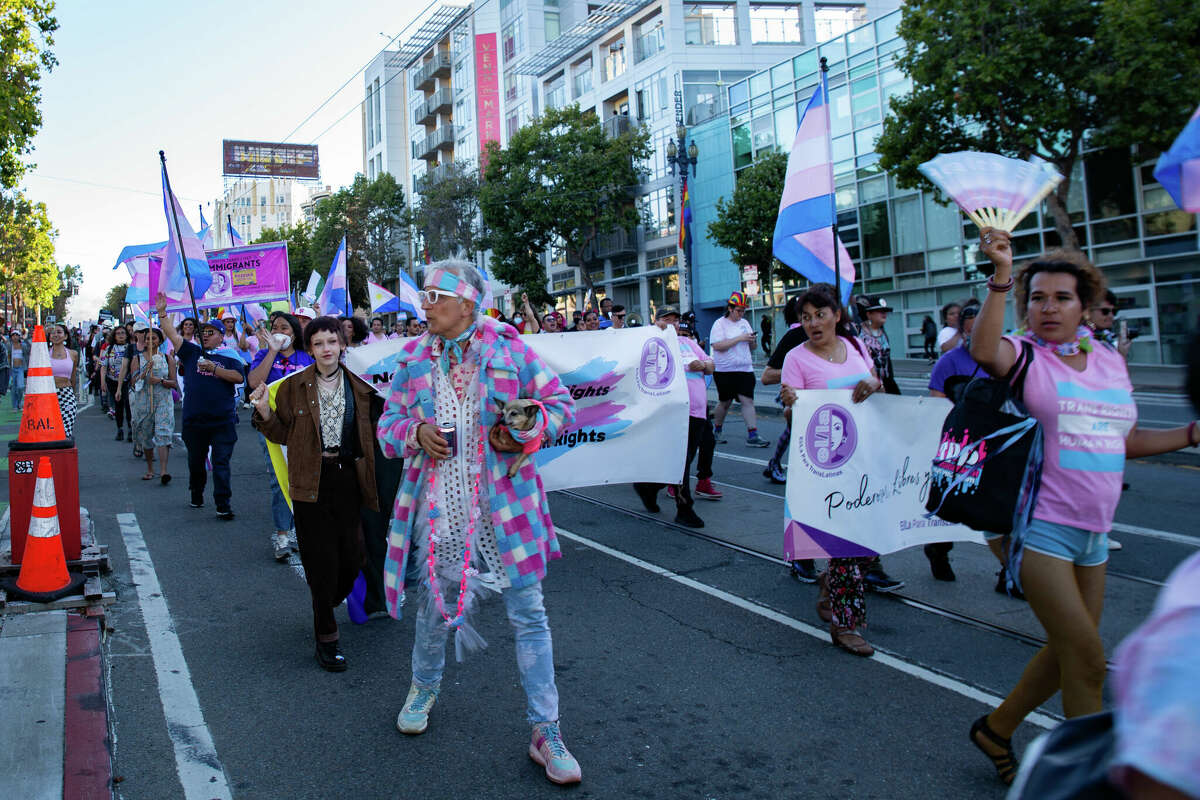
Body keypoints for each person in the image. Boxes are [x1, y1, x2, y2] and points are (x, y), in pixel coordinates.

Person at [966, 229, 1200, 786]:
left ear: (1087, 307)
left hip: (1095, 532)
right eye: (1038, 297)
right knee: (1089, 659)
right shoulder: (1023, 356)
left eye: (1062, 297)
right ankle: (1087, 781)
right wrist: (1002, 276)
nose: (1048, 307)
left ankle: (996, 728)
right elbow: (982, 350)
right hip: (1039, 528)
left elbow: (1124, 440)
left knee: (1069, 649)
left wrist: (1192, 432)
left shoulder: (1108, 364)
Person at [376, 259, 581, 785]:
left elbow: (560, 406)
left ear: (466, 302)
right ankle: (423, 686)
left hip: (506, 512)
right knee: (434, 609)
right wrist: (415, 431)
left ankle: (546, 729)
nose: (425, 307)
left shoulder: (510, 349)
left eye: (433, 297)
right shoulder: (414, 359)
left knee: (529, 616)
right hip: (441, 510)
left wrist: (527, 430)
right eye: (423, 297)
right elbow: (387, 425)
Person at [251, 316, 379, 672]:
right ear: (310, 349)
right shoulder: (293, 387)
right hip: (310, 481)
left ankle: (327, 598)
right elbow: (280, 434)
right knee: (319, 562)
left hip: (349, 478)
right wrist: (264, 412)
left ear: (342, 346)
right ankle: (327, 636)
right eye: (319, 343)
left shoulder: (361, 387)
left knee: (352, 558)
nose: (326, 349)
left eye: (332, 342)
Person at [779, 283, 883, 656]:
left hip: (863, 459)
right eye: (805, 317)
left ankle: (830, 583)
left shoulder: (856, 347)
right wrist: (791, 403)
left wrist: (873, 383)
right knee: (844, 547)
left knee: (869, 546)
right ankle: (846, 625)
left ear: (837, 315)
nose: (812, 323)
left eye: (820, 314)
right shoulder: (796, 358)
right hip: (825, 466)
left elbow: (876, 387)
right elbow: (794, 414)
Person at [156, 292, 247, 519]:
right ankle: (196, 493)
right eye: (202, 333)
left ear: (220, 336)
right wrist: (162, 313)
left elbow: (238, 377)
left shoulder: (230, 355)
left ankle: (223, 504)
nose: (205, 336)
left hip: (222, 420)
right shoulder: (191, 351)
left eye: (210, 332)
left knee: (221, 462)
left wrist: (214, 369)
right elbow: (171, 335)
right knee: (196, 462)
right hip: (194, 420)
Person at [632, 306, 713, 528]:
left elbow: (712, 364)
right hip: (673, 410)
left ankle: (648, 487)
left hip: (697, 412)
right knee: (680, 461)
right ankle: (684, 508)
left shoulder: (689, 343)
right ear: (655, 321)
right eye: (666, 319)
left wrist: (703, 365)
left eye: (675, 320)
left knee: (684, 459)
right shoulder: (651, 342)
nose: (672, 324)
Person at [924, 298, 984, 583]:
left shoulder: (1003, 356)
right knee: (952, 502)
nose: (977, 337)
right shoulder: (949, 362)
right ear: (962, 332)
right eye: (970, 332)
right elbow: (936, 404)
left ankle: (1009, 569)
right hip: (958, 445)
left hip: (994, 443)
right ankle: (938, 548)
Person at [248, 311, 314, 560]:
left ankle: (300, 530)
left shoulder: (306, 358)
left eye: (285, 328)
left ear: (295, 333)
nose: (279, 332)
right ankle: (282, 535)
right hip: (270, 425)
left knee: (302, 478)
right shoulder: (265, 355)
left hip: (302, 427)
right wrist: (272, 350)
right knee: (279, 480)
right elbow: (254, 382)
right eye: (275, 327)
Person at [710, 292, 770, 447]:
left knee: (747, 400)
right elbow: (717, 346)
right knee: (725, 401)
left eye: (743, 311)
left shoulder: (745, 323)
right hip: (725, 370)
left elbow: (753, 347)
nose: (741, 314)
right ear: (730, 308)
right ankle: (717, 429)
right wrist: (739, 338)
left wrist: (751, 340)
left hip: (744, 368)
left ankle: (753, 434)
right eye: (738, 310)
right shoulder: (719, 324)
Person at [128, 328, 177, 483]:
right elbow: (133, 381)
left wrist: (161, 381)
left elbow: (174, 383)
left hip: (163, 400)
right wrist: (144, 372)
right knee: (146, 433)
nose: (150, 341)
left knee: (163, 432)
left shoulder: (168, 359)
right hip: (144, 401)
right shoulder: (137, 358)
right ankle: (150, 468)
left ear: (160, 341)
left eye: (154, 338)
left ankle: (163, 471)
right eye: (147, 338)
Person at [855, 296, 900, 395]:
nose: (884, 314)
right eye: (879, 311)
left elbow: (887, 362)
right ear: (869, 314)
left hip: (887, 383)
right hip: (867, 384)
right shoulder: (857, 332)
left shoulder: (883, 333)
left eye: (885, 311)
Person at [100, 326, 132, 441]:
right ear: (114, 336)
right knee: (118, 406)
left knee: (128, 405)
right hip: (112, 380)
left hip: (127, 381)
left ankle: (130, 429)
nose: (120, 335)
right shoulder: (109, 349)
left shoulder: (131, 348)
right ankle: (120, 429)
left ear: (127, 335)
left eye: (123, 333)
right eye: (118, 333)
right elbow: (103, 366)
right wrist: (102, 382)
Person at [48, 323, 80, 439]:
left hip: (67, 395)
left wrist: (74, 394)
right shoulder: (45, 353)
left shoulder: (73, 354)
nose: (55, 335)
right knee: (50, 432)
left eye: (59, 332)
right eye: (53, 332)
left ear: (66, 336)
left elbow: (73, 377)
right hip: (49, 396)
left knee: (65, 432)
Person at [1089, 289, 1131, 358]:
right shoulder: (1079, 338)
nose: (1111, 316)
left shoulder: (1104, 334)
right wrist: (1120, 356)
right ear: (1088, 312)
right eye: (1105, 311)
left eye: (1114, 311)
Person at [8, 331, 28, 411]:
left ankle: (20, 402)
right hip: (12, 369)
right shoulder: (9, 346)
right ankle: (15, 406)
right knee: (13, 388)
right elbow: (8, 356)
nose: (15, 337)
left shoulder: (23, 345)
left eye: (17, 335)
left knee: (20, 386)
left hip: (20, 368)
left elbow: (26, 355)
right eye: (13, 335)